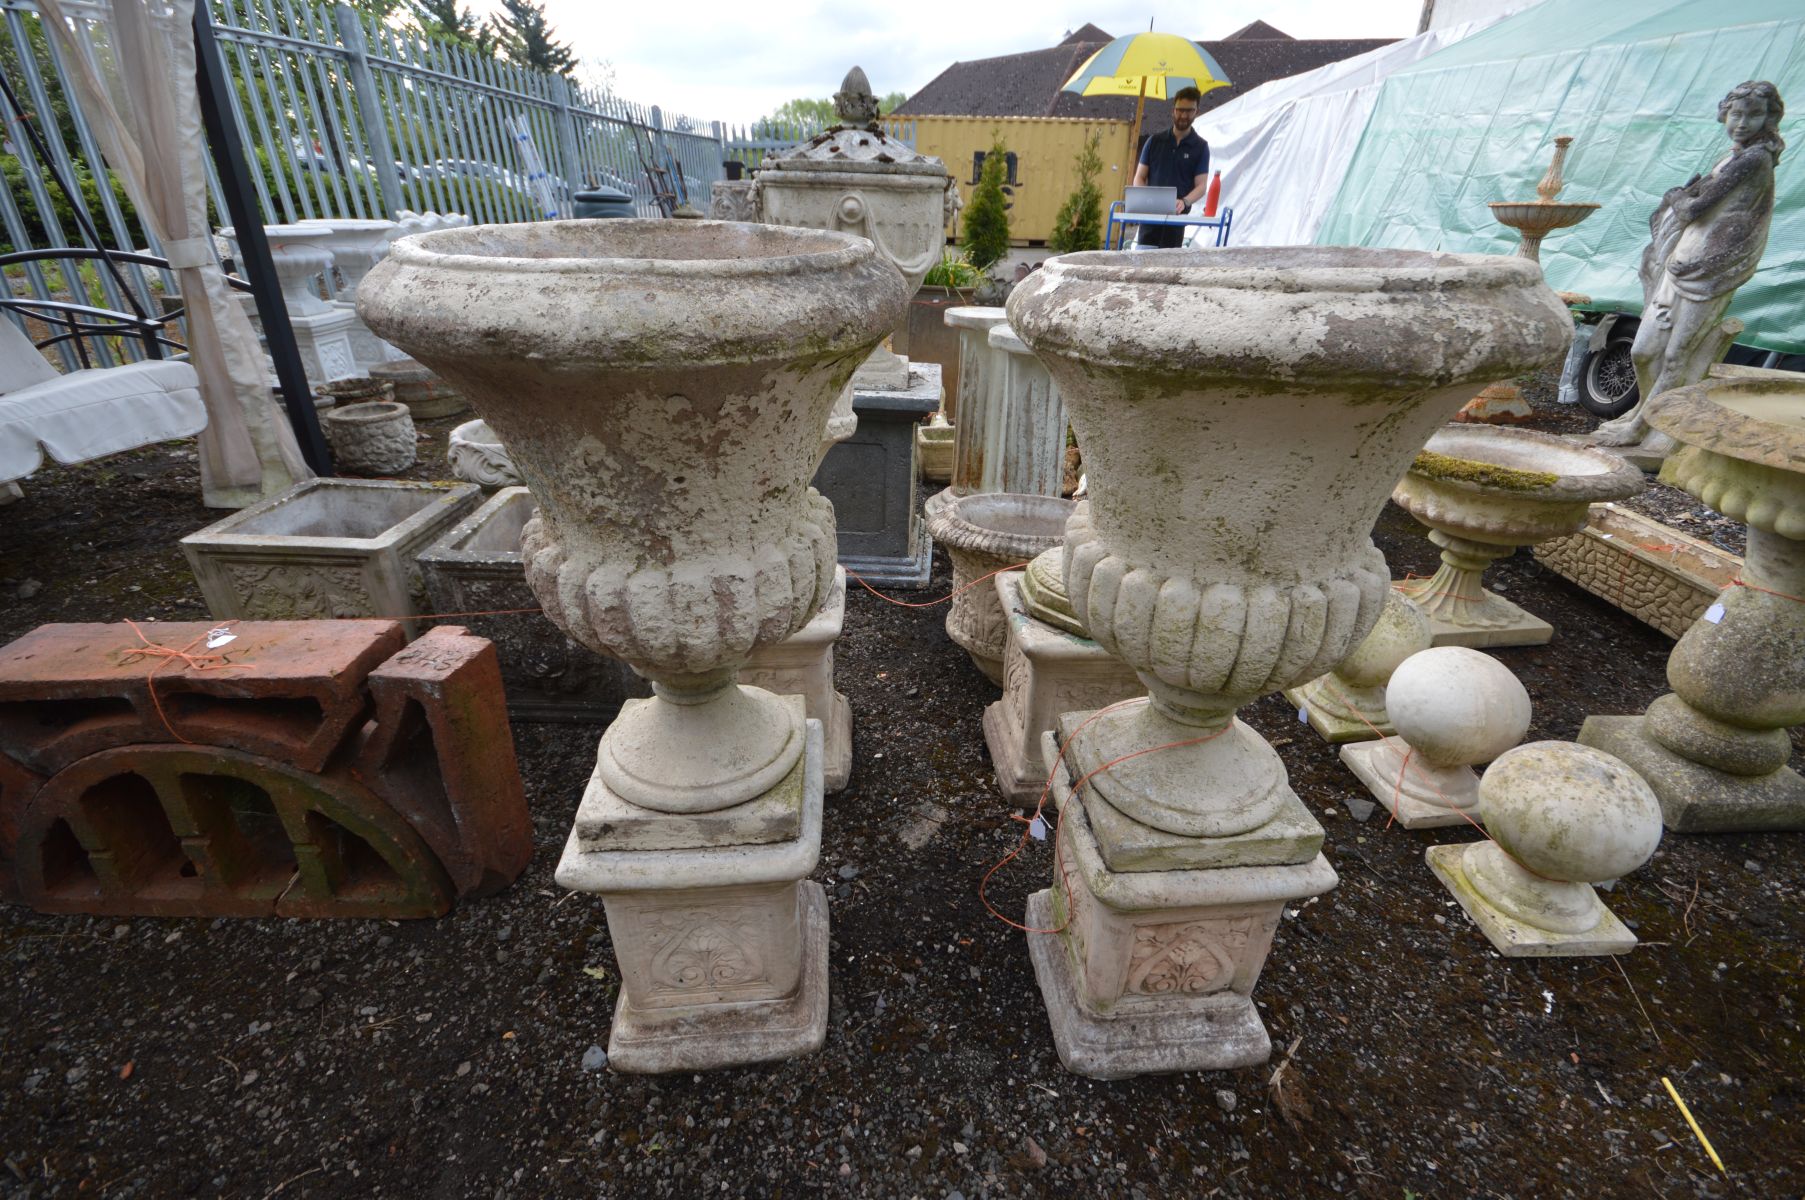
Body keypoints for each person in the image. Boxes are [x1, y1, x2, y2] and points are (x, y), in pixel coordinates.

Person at [1594, 79, 1783, 449]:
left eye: (1754, 114)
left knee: (1678, 354)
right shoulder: (1731, 156)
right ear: (1724, 115)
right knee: (1643, 350)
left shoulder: (1755, 159)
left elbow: (1694, 207)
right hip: (1684, 261)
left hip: (1709, 269)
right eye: (1736, 114)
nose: (1742, 123)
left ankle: (1645, 431)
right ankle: (1641, 414)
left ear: (1769, 117)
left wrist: (1675, 196)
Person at [1131, 86, 1210, 249]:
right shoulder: (1154, 141)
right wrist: (1143, 198)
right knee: (1143, 267)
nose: (1183, 115)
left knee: (1168, 270)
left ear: (1197, 112)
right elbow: (1139, 176)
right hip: (1149, 221)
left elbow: (1202, 186)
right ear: (1173, 110)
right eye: (1180, 110)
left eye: (1189, 111)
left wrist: (1185, 201)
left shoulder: (1201, 147)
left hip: (1176, 222)